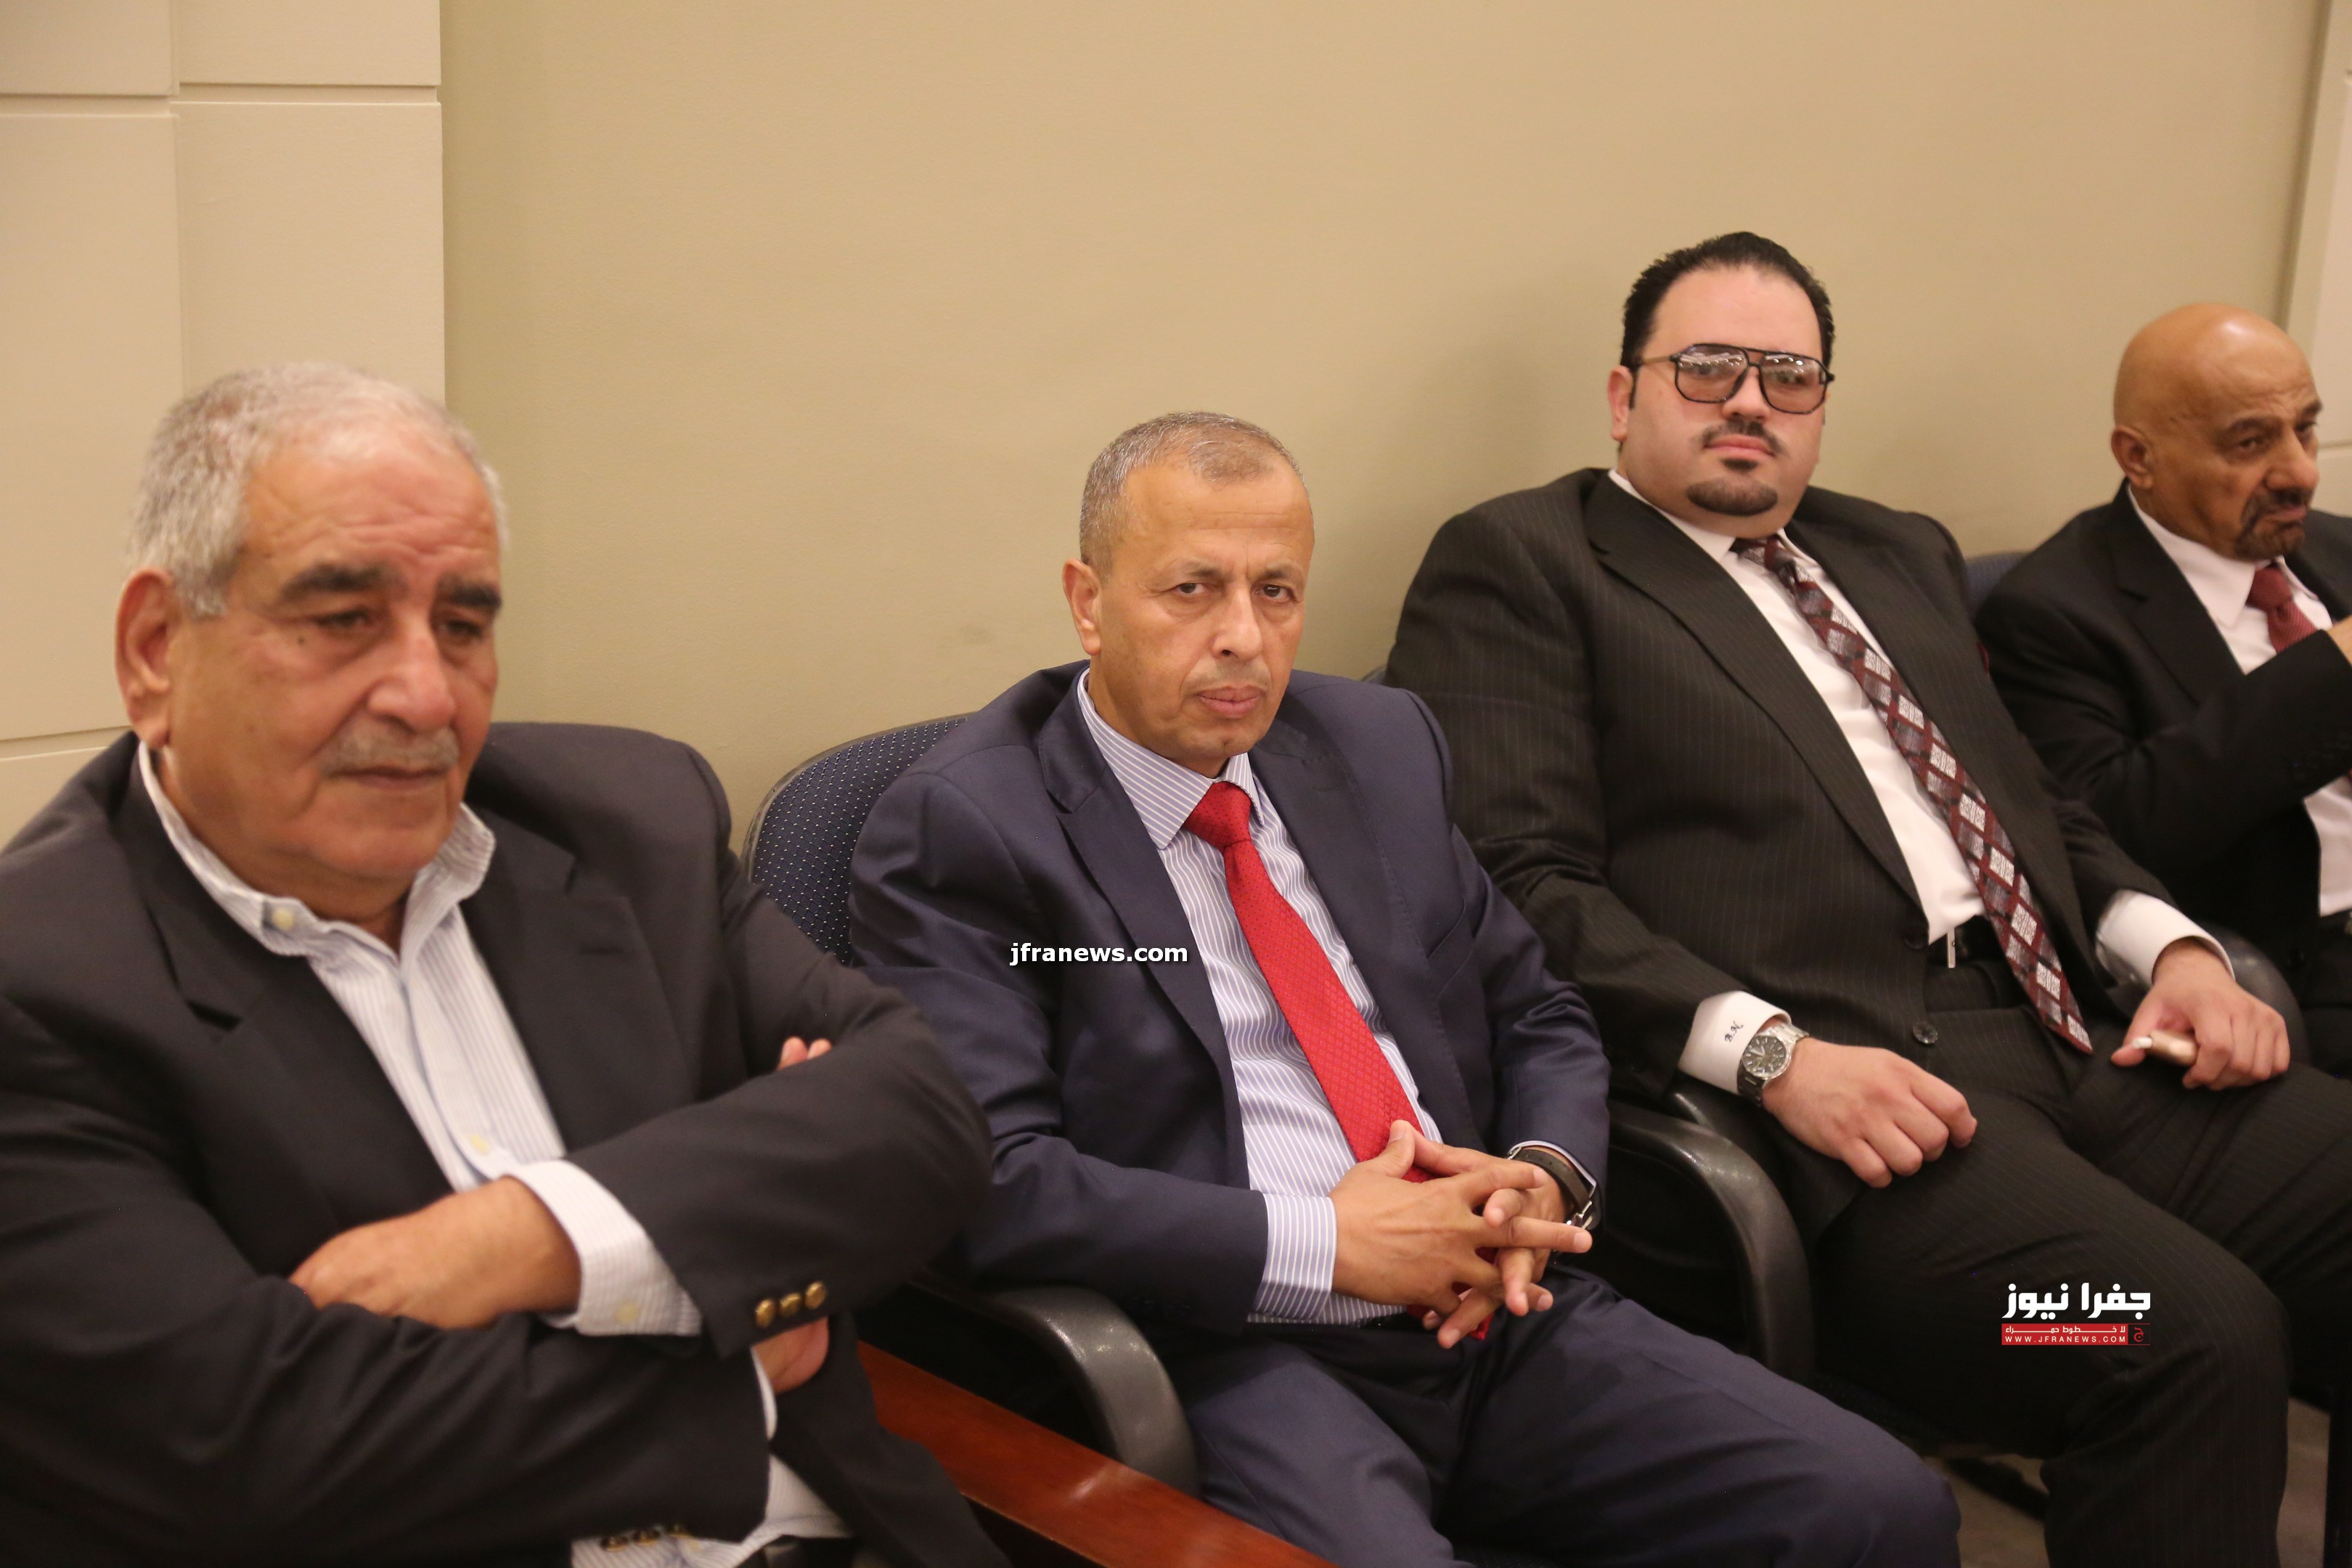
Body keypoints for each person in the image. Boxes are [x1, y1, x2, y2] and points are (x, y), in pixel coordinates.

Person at [1386, 232, 2352, 1568]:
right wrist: (1774, 1057)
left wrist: (2176, 949)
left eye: (1788, 377)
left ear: (1822, 407)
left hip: (2080, 1037)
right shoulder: (1526, 561)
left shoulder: (1895, 551)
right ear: (1623, 395)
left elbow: (2035, 807)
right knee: (2161, 1334)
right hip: (1851, 1126)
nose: (1750, 402)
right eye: (1707, 367)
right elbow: (1519, 882)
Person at [851, 411, 1959, 1568]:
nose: (1243, 638)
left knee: (1878, 1506)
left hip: (1497, 1305)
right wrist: (1328, 1243)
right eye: (1191, 590)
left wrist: (1542, 1179)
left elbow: (1538, 1011)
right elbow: (996, 1180)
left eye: (1277, 592)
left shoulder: (1374, 745)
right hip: (1239, 1350)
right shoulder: (972, 829)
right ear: (1089, 602)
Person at [0, 364, 1005, 1568]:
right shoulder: (41, 984)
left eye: (464, 627)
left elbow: (923, 1113)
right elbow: (256, 1446)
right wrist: (733, 1347)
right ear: (157, 651)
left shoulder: (629, 819)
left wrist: (522, 1238)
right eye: (343, 619)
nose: (428, 695)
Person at [1978, 304, 2352, 1073]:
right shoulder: (2052, 611)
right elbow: (2116, 830)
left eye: (2306, 429)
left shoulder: (2341, 549)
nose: (2302, 473)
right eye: (2251, 442)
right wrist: (2332, 673)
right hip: (2308, 967)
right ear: (2139, 457)